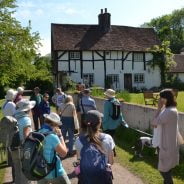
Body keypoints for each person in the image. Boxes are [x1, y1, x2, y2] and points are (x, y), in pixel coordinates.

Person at [75, 110, 115, 184]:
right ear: (99, 123)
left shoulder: (78, 140)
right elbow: (111, 161)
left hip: (85, 179)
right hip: (103, 178)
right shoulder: (108, 138)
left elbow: (79, 159)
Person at [152, 89, 179, 184]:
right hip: (164, 143)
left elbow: (154, 122)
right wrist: (160, 109)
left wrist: (159, 108)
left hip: (166, 145)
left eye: (161, 97)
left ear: (166, 98)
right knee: (167, 169)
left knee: (164, 170)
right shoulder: (168, 109)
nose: (159, 100)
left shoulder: (169, 111)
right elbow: (155, 124)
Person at [38, 112, 71, 184]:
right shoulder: (53, 137)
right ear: (53, 124)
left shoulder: (38, 132)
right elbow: (63, 153)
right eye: (57, 125)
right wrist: (60, 136)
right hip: (54, 172)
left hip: (40, 171)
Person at [12, 99, 36, 184]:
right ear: (27, 109)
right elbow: (27, 137)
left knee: (17, 171)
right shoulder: (26, 119)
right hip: (22, 148)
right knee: (26, 172)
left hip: (13, 147)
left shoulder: (14, 116)